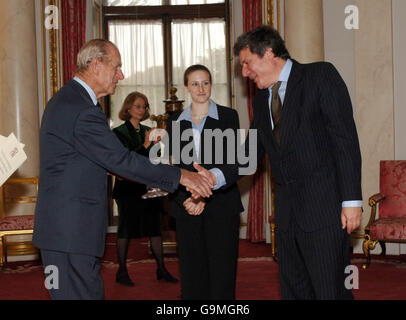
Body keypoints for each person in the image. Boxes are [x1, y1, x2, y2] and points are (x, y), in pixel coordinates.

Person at [33, 39, 213, 300]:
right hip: (70, 233)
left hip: (66, 232)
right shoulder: (80, 108)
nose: (121, 75)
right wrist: (183, 176)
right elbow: (121, 160)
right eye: (116, 67)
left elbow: (89, 160)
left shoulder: (71, 99)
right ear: (96, 65)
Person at [197, 25, 363, 299]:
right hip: (287, 219)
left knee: (330, 292)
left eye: (247, 63)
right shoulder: (263, 100)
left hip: (324, 213)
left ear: (269, 53)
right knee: (295, 292)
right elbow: (249, 153)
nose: (245, 72)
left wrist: (352, 201)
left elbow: (344, 141)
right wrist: (213, 177)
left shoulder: (319, 76)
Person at [165, 64, 244, 300]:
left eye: (206, 83)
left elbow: (232, 163)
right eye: (195, 83)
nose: (201, 88)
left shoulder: (229, 116)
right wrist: (191, 197)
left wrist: (202, 194)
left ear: (211, 85)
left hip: (221, 203)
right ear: (186, 87)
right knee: (192, 272)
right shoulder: (175, 120)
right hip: (186, 204)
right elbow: (174, 166)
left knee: (222, 272)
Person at [112, 91, 177, 286]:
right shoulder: (118, 132)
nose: (142, 110)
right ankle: (122, 270)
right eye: (138, 106)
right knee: (125, 229)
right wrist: (146, 144)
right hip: (127, 188)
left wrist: (156, 147)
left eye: (145, 106)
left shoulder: (148, 129)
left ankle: (161, 268)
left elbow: (153, 160)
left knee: (155, 228)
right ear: (128, 108)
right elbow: (124, 161)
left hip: (148, 187)